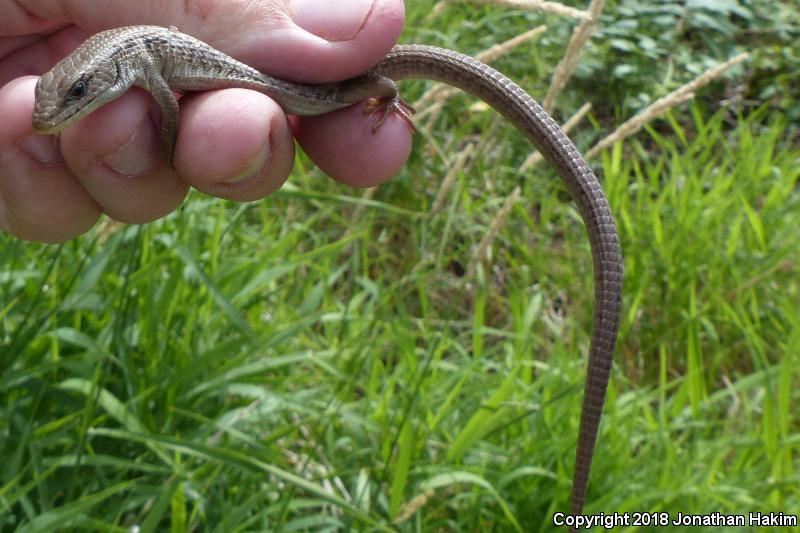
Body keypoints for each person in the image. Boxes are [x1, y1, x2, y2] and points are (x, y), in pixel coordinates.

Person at [0, 0, 412, 242]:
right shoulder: (127, 62)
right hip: (270, 87)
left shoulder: (138, 59)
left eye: (76, 94)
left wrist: (167, 145)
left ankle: (388, 91)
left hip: (288, 84)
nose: (53, 113)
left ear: (106, 72)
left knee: (334, 95)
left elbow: (171, 110)